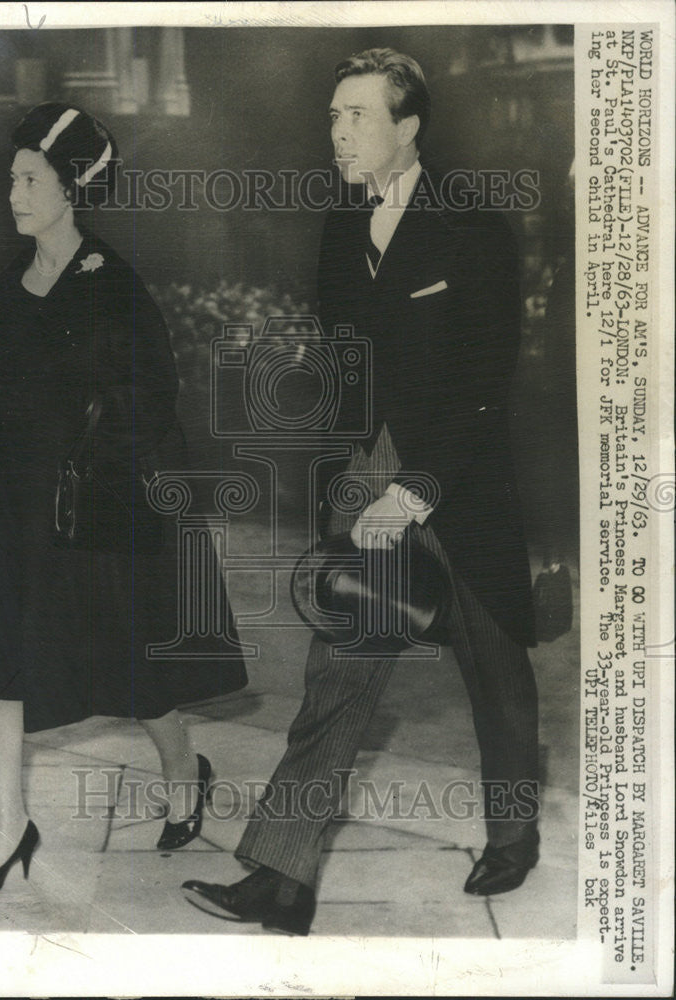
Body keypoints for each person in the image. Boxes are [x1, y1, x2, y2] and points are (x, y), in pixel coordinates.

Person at [182, 48, 539, 936]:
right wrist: (353, 474)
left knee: (494, 671)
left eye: (356, 117)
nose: (336, 133)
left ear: (405, 126)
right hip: (370, 475)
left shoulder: (471, 226)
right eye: (332, 117)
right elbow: (344, 358)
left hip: (460, 486)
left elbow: (485, 381)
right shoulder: (343, 226)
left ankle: (515, 832)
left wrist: (412, 491)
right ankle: (282, 875)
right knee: (337, 676)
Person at [0, 103, 247, 896]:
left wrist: (90, 466)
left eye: (29, 178)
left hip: (98, 517)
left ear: (71, 186)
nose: (12, 192)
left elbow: (155, 397)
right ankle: (10, 827)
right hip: (18, 521)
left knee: (135, 678)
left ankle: (184, 771)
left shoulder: (112, 286)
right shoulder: (3, 298)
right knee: (1, 676)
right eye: (11, 177)